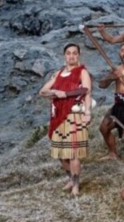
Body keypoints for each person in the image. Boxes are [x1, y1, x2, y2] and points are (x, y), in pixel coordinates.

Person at [39, 43, 93, 196]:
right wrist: (56, 91)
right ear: (64, 56)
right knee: (61, 153)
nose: (71, 56)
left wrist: (87, 113)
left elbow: (87, 92)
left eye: (74, 53)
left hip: (74, 114)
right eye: (68, 53)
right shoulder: (58, 74)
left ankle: (76, 184)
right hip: (58, 116)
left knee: (73, 153)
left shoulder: (82, 72)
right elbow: (42, 91)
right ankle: (70, 178)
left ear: (78, 55)